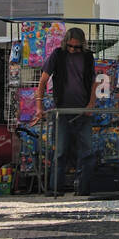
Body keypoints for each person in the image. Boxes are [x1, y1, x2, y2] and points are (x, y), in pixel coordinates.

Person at [37, 28, 97, 195]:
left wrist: (91, 104)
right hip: (62, 110)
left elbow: (93, 82)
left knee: (87, 152)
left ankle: (83, 189)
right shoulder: (58, 55)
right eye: (70, 46)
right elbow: (42, 81)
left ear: (82, 46)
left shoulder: (87, 57)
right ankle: (55, 188)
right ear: (65, 43)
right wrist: (39, 106)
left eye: (77, 47)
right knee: (60, 151)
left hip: (83, 110)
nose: (73, 50)